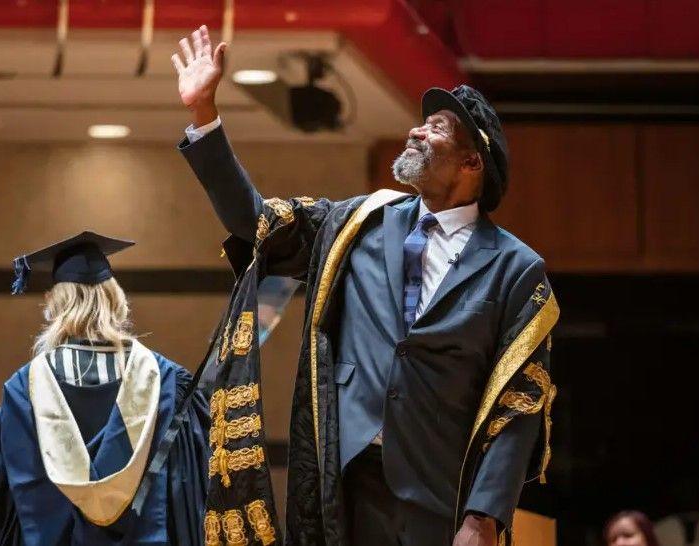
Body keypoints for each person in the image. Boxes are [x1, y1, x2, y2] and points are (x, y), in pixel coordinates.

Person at [171, 26, 560, 546]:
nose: (417, 132)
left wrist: (483, 515)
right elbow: (256, 223)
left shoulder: (516, 267)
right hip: (344, 482)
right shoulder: (356, 223)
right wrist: (204, 118)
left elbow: (520, 404)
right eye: (421, 123)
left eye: (437, 128)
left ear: (473, 163)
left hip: (440, 493)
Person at [0, 231, 211, 546]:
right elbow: (190, 494)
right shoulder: (167, 382)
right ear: (115, 298)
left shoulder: (24, 390)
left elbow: (0, 508)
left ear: (56, 304)